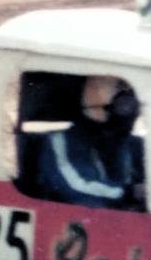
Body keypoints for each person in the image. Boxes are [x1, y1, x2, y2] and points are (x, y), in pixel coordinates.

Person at [37, 76, 145, 208]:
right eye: (116, 88)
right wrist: (129, 192)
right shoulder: (60, 142)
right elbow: (77, 186)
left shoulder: (127, 143)